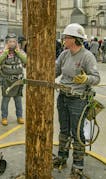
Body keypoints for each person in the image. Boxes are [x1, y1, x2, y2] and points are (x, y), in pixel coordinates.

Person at [54, 23, 100, 178]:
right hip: (63, 97)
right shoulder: (64, 54)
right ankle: (62, 158)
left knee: (77, 133)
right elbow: (54, 71)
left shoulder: (87, 56)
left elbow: (96, 78)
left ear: (74, 39)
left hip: (78, 101)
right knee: (64, 130)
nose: (64, 40)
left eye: (66, 37)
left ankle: (78, 166)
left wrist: (86, 78)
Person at [0, 33, 27, 126]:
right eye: (10, 42)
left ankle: (19, 116)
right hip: (6, 81)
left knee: (18, 100)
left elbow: (26, 60)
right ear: (6, 43)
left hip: (18, 81)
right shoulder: (2, 52)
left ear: (16, 43)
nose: (12, 43)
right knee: (5, 100)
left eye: (14, 41)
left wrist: (18, 52)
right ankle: (4, 117)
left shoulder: (20, 52)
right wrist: (5, 51)